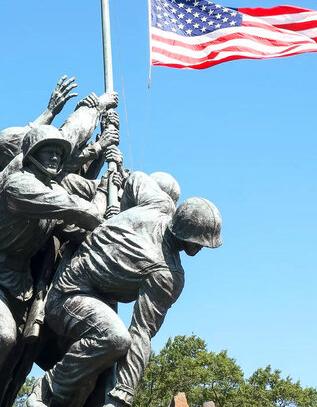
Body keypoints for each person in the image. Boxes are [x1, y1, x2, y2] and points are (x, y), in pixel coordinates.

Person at [0, 124, 105, 407]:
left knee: (10, 369)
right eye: (48, 151)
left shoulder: (49, 189)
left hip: (20, 287)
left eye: (58, 153)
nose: (55, 157)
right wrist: (103, 194)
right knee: (0, 335)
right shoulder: (20, 185)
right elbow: (77, 210)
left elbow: (75, 227)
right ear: (31, 155)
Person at [26, 171, 222, 407]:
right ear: (185, 233)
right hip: (67, 295)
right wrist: (123, 397)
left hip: (93, 296)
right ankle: (47, 387)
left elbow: (135, 178)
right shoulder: (167, 275)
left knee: (106, 362)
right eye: (198, 241)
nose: (201, 248)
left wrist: (122, 391)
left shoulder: (158, 203)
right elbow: (140, 334)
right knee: (115, 338)